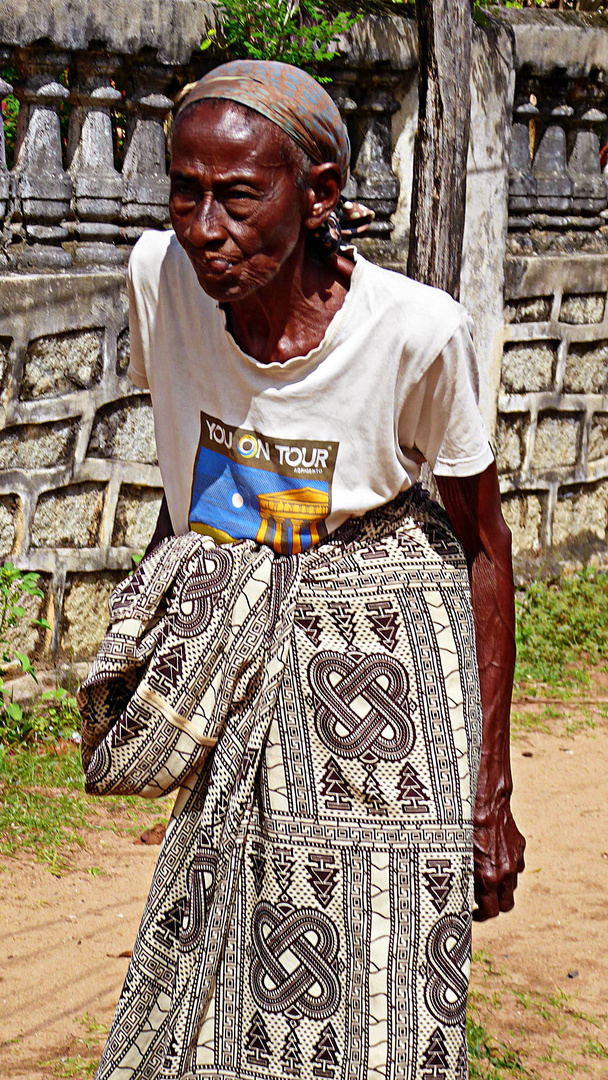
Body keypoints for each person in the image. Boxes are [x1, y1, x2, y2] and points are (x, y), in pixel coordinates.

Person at [80, 59, 525, 1080]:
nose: (202, 227)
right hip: (234, 609)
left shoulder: (415, 333)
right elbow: (191, 456)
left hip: (376, 634)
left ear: (316, 194)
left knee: (384, 924)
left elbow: (484, 550)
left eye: (236, 196)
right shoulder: (161, 279)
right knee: (218, 897)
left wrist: (486, 791)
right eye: (183, 192)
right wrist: (177, 620)